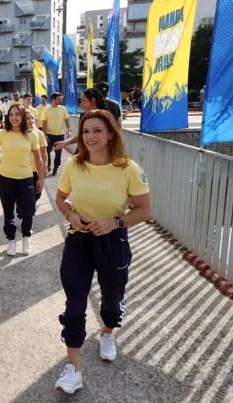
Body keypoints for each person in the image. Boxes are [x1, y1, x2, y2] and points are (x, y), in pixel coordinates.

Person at [53, 109, 151, 394]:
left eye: (97, 130)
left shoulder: (129, 169)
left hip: (113, 242)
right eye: (85, 131)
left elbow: (144, 211)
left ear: (111, 133)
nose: (90, 137)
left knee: (112, 296)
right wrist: (70, 215)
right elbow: (61, 199)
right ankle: (73, 368)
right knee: (74, 302)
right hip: (78, 240)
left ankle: (107, 332)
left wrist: (114, 222)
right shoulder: (74, 165)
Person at [0, 105, 44, 256]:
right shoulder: (2, 133)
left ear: (23, 117)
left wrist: (41, 178)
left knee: (28, 210)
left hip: (26, 178)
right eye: (11, 114)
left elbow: (38, 158)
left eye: (17, 114)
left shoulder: (31, 135)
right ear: (8, 117)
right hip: (5, 179)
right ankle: (11, 241)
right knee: (8, 212)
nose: (14, 117)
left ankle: (26, 236)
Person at [52, 87, 117, 153]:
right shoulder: (83, 116)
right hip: (83, 153)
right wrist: (65, 142)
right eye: (86, 131)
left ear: (93, 101)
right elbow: (80, 136)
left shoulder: (106, 117)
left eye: (83, 100)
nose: (81, 104)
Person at [40, 92, 71, 176]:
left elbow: (67, 119)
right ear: (53, 99)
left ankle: (56, 168)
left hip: (60, 135)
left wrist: (68, 129)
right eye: (58, 99)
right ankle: (48, 167)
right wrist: (45, 135)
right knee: (47, 152)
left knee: (58, 153)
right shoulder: (46, 110)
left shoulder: (63, 109)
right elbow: (44, 123)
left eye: (60, 99)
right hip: (50, 135)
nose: (60, 100)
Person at [25, 109, 48, 201]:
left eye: (32, 118)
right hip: (24, 171)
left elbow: (44, 152)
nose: (30, 120)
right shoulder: (19, 135)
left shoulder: (39, 133)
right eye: (27, 118)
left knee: (37, 194)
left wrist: (45, 166)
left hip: (36, 170)